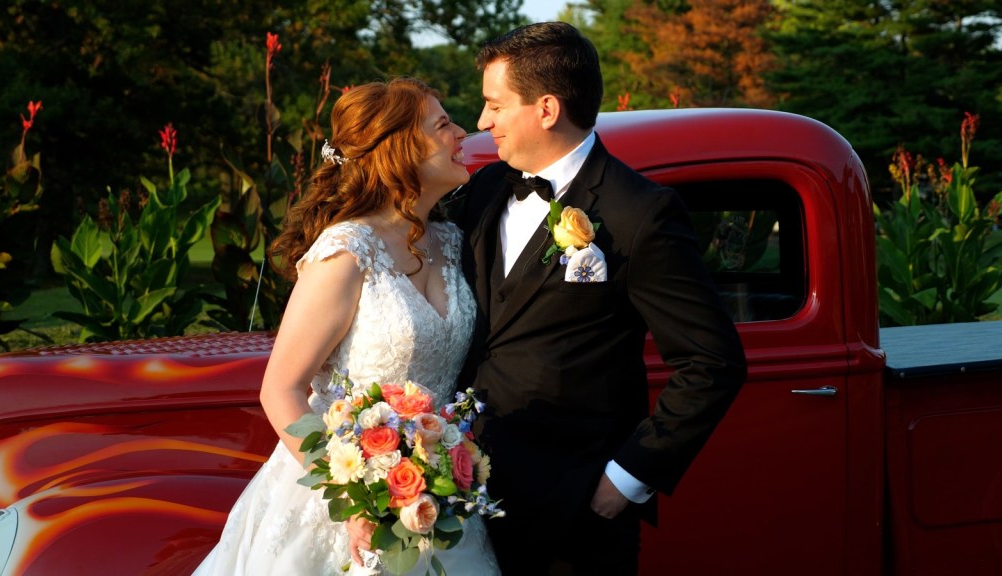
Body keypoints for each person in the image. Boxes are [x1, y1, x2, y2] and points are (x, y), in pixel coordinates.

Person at [452, 22, 748, 575]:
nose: (483, 121)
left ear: (546, 109)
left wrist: (625, 480)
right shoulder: (486, 189)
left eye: (495, 105)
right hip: (465, 497)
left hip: (576, 515)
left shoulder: (639, 212)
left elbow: (713, 361)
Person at [193, 77, 500, 575]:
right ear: (399, 148)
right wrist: (352, 497)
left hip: (436, 495)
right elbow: (280, 389)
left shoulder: (451, 241)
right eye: (443, 124)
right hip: (343, 497)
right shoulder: (345, 252)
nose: (462, 133)